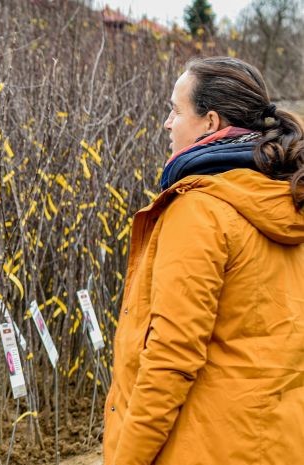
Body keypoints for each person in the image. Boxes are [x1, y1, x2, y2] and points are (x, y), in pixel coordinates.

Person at [104, 56, 304, 464]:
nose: (167, 123)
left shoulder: (200, 211)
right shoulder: (291, 201)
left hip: (206, 447)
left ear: (210, 122)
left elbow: (170, 358)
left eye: (175, 111)